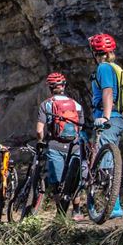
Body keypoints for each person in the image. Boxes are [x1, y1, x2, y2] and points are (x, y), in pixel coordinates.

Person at [87, 33, 123, 219]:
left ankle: (113, 206)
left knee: (105, 163)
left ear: (95, 53)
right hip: (119, 118)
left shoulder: (103, 68)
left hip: (107, 117)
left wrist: (105, 117)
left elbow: (108, 92)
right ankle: (113, 204)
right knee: (111, 158)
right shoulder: (119, 69)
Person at [35, 72, 84, 217]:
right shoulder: (76, 105)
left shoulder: (46, 105)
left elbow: (39, 130)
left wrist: (40, 141)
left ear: (50, 87)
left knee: (56, 181)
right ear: (64, 86)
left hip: (55, 145)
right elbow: (80, 127)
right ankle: (77, 211)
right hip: (74, 146)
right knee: (74, 178)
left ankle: (61, 213)